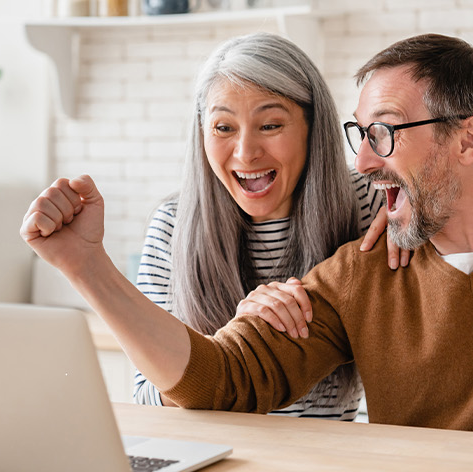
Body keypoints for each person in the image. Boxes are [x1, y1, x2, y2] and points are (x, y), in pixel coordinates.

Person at [21, 34, 473, 444]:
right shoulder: (364, 271)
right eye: (359, 134)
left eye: (383, 132)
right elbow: (214, 383)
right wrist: (86, 266)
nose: (359, 161)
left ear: (469, 138)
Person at [129, 33, 408, 421]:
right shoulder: (172, 227)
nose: (246, 152)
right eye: (223, 128)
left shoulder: (365, 203)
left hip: (326, 462)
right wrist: (238, 340)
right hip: (208, 457)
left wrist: (414, 212)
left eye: (271, 124)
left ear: (313, 126)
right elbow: (144, 400)